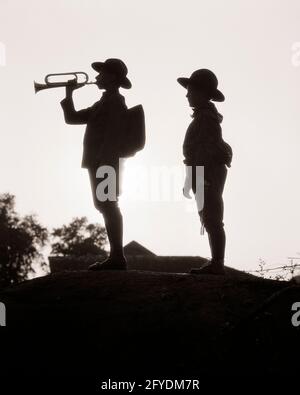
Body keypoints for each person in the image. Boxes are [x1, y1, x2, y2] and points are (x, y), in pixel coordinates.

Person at [60, 58, 132, 271]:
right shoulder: (102, 103)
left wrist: (105, 162)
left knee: (109, 205)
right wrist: (68, 94)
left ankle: (117, 257)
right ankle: (116, 256)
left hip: (106, 162)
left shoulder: (115, 102)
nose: (97, 77)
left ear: (112, 78)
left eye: (102, 73)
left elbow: (113, 136)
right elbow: (72, 118)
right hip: (98, 161)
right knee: (104, 205)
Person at [178, 69, 232, 275]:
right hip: (203, 173)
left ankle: (217, 264)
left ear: (201, 92)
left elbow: (204, 151)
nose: (187, 94)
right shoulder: (205, 117)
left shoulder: (206, 119)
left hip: (207, 173)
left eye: (190, 90)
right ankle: (216, 263)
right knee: (210, 217)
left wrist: (201, 178)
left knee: (212, 218)